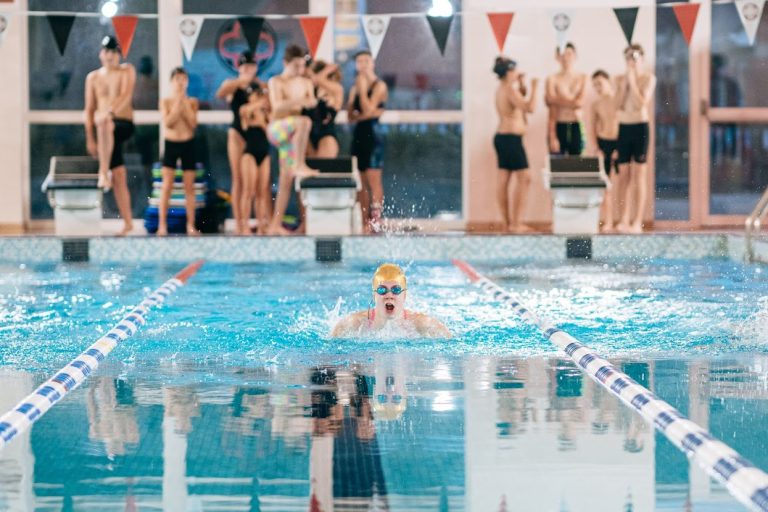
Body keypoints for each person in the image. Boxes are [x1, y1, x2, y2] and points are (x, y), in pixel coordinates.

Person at [84, 35, 136, 236]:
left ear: (119, 55)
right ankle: (129, 223)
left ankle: (103, 172)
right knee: (120, 176)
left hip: (123, 124)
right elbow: (88, 109)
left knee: (104, 119)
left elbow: (126, 96)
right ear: (100, 54)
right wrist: (90, 137)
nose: (111, 56)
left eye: (115, 52)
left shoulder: (127, 70)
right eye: (107, 51)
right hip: (103, 131)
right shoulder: (93, 77)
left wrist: (110, 113)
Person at [266, 45, 319, 236]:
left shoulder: (305, 83)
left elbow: (312, 101)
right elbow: (277, 108)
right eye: (296, 66)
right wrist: (299, 102)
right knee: (303, 121)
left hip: (292, 136)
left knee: (286, 179)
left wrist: (309, 101)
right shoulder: (276, 82)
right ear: (285, 63)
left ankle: (275, 225)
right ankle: (299, 164)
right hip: (277, 129)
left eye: (302, 66)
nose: (300, 70)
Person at [330, 263, 451, 338]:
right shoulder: (355, 323)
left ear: (404, 295)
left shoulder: (422, 324)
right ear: (374, 295)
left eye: (396, 290)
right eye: (382, 290)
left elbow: (449, 342)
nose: (389, 295)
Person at [215, 51, 262, 235]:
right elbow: (220, 94)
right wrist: (241, 81)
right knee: (238, 180)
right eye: (245, 67)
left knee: (254, 184)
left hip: (254, 136)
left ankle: (253, 221)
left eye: (252, 66)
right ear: (239, 67)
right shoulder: (232, 84)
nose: (249, 70)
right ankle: (239, 223)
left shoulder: (258, 86)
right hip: (236, 134)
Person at [492, 56, 538, 233]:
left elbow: (519, 102)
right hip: (510, 139)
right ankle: (516, 224)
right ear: (509, 72)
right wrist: (534, 87)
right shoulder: (510, 90)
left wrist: (523, 85)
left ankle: (507, 223)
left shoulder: (502, 88)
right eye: (516, 70)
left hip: (503, 137)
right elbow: (530, 108)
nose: (518, 73)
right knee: (525, 178)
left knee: (504, 179)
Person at [615, 44, 656, 234]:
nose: (631, 61)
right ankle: (623, 218)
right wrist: (625, 84)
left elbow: (642, 103)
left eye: (634, 57)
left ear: (642, 59)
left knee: (639, 174)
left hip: (640, 127)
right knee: (623, 175)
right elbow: (617, 105)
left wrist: (632, 82)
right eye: (628, 57)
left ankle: (637, 220)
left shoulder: (648, 78)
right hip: (624, 127)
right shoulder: (619, 79)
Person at [347, 50, 388, 233]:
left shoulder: (380, 85)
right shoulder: (355, 86)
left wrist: (362, 90)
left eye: (365, 61)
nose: (362, 64)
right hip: (358, 135)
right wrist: (365, 113)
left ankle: (376, 221)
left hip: (374, 135)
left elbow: (368, 108)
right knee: (360, 182)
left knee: (374, 181)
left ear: (372, 63)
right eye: (359, 61)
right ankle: (364, 222)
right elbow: (350, 116)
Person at [157, 67, 199, 236]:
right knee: (167, 186)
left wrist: (184, 103)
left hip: (188, 144)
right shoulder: (165, 102)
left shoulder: (193, 102)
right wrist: (178, 103)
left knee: (190, 187)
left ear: (187, 82)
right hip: (171, 144)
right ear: (172, 82)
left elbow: (193, 123)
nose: (181, 83)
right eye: (178, 79)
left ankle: (190, 225)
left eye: (184, 79)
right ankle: (162, 225)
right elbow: (168, 122)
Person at [590, 69, 620, 232]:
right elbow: (592, 127)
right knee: (606, 187)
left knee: (621, 184)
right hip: (603, 144)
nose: (598, 87)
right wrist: (596, 148)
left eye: (600, 83)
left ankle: (622, 221)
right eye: (595, 85)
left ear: (608, 82)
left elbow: (623, 123)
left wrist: (619, 148)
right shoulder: (595, 104)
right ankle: (607, 222)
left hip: (617, 143)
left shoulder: (618, 100)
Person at [239, 84, 272, 235]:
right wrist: (263, 99)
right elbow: (246, 114)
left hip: (264, 153)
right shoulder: (245, 109)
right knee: (248, 191)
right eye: (256, 95)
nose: (259, 97)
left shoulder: (265, 113)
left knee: (262, 192)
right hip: (249, 154)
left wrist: (263, 121)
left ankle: (261, 225)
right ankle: (244, 225)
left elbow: (271, 133)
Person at [545, 43, 586, 156]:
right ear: (557, 57)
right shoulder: (552, 79)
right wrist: (553, 136)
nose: (566, 57)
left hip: (577, 125)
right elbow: (551, 106)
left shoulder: (582, 77)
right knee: (557, 168)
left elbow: (580, 103)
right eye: (562, 54)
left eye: (569, 54)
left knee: (577, 167)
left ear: (575, 56)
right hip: (558, 125)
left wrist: (555, 99)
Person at [306, 60, 344, 158]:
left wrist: (326, 70)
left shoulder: (336, 90)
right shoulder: (308, 90)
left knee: (322, 170)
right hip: (306, 137)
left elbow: (317, 79)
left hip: (326, 136)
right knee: (304, 172)